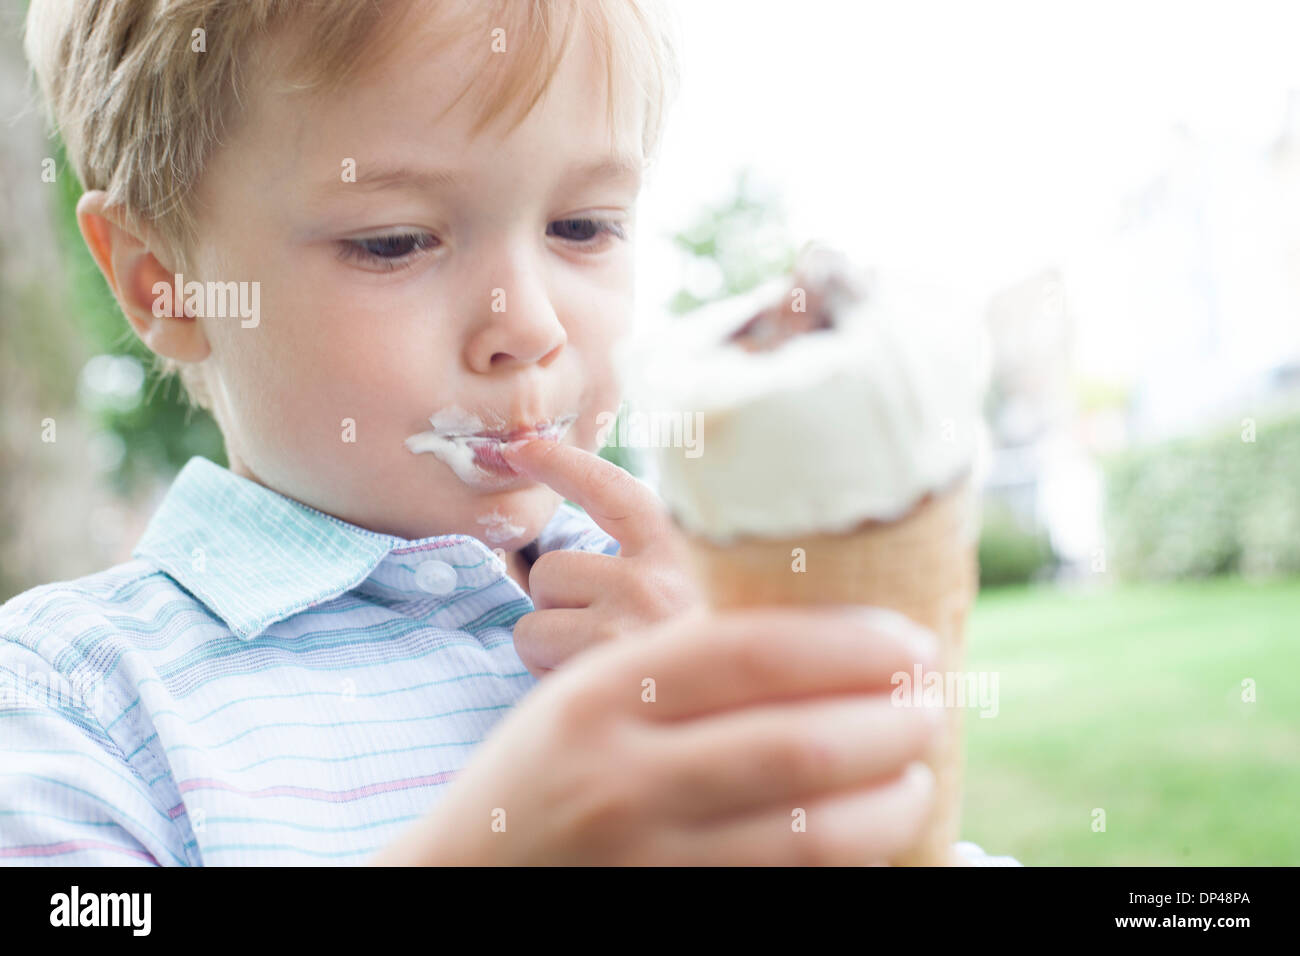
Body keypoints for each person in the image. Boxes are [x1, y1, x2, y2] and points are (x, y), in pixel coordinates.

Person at [3, 0, 1012, 865]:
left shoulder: (688, 606)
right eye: (394, 241)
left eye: (584, 226)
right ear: (161, 283)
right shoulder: (71, 697)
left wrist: (768, 731)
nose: (529, 324)